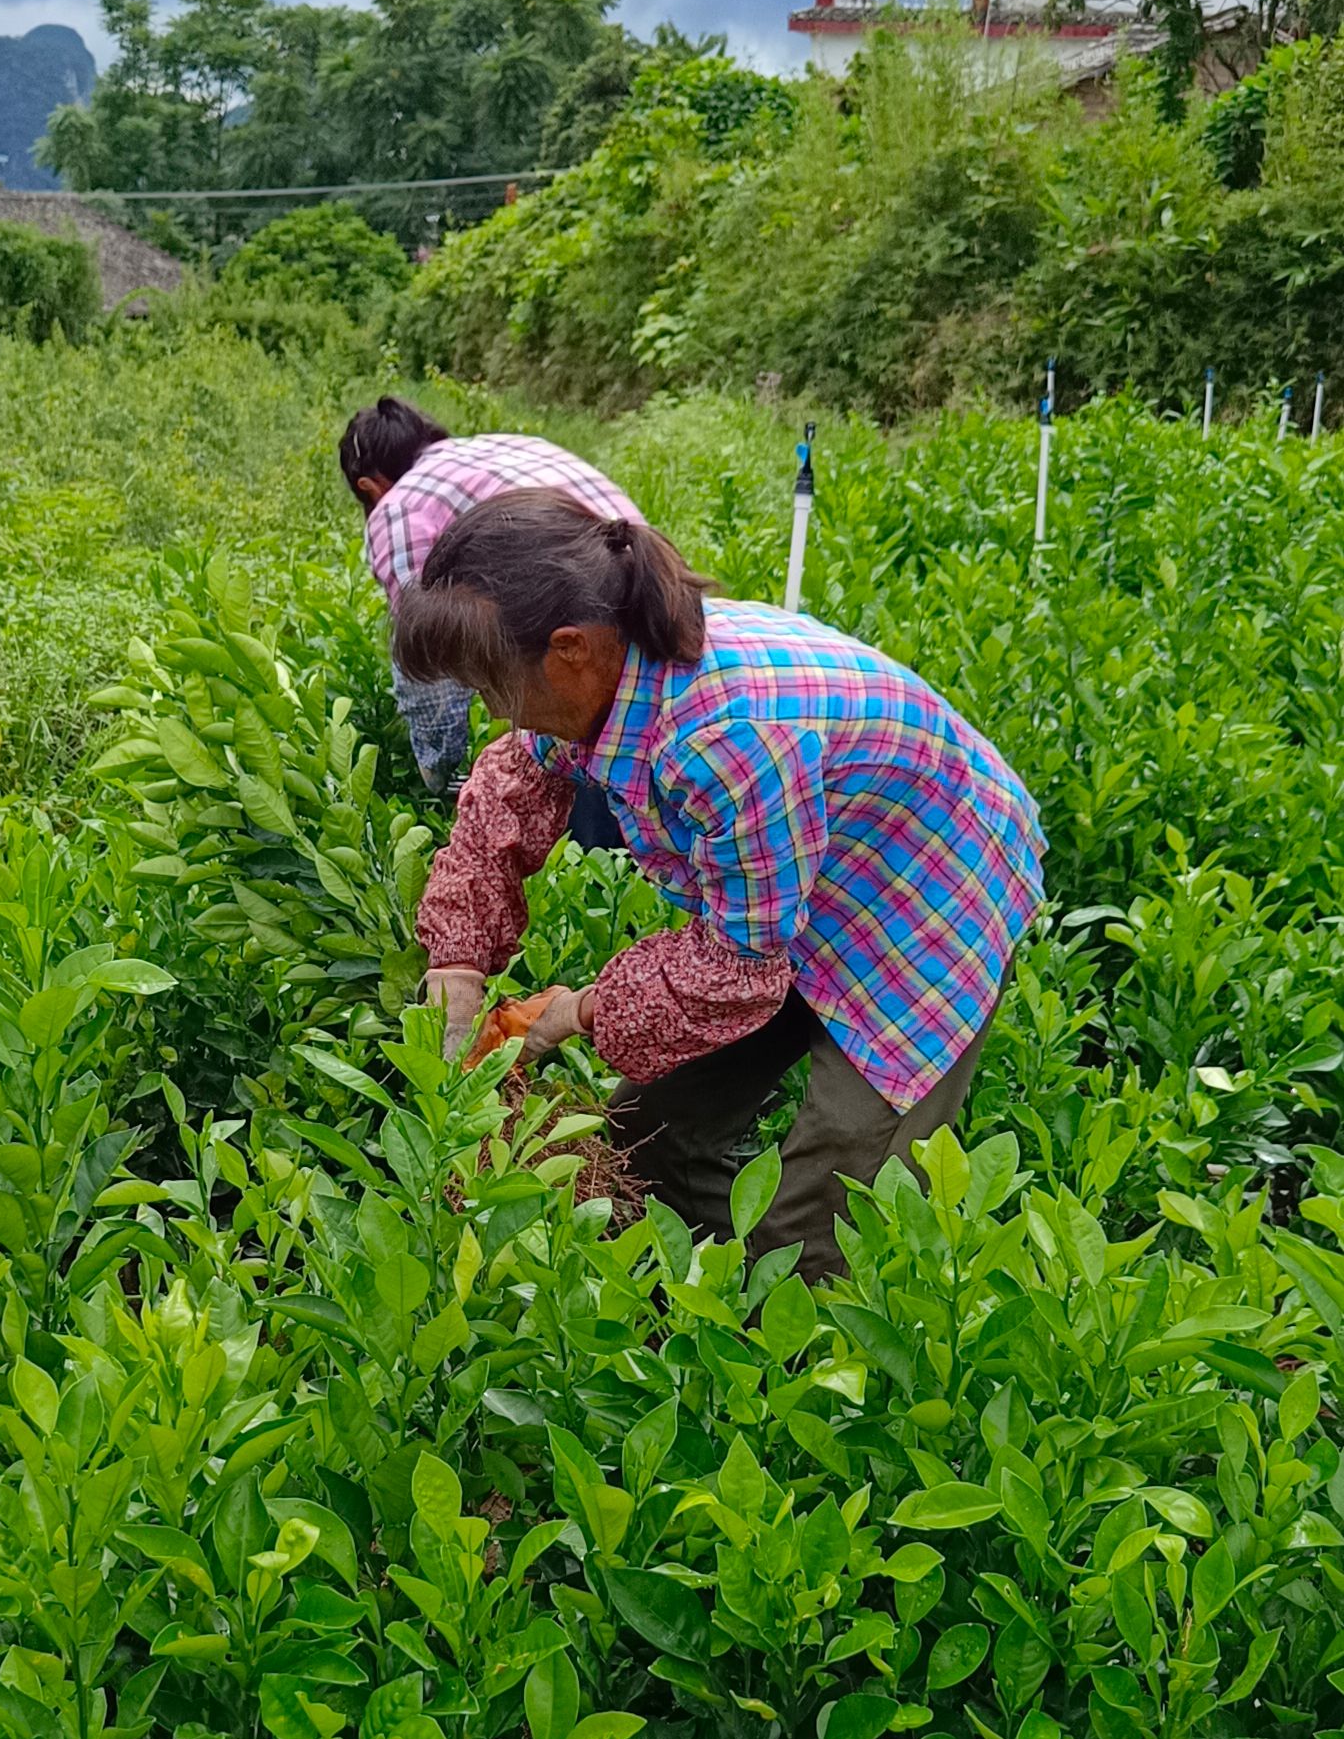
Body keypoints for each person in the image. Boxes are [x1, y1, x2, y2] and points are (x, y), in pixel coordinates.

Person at [394, 487, 1045, 1283]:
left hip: (919, 898)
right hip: (785, 887)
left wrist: (567, 1012)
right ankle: (699, 1303)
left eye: (495, 684)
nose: (496, 708)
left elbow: (738, 965)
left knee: (825, 1211)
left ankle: (786, 1355)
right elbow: (514, 788)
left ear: (569, 649)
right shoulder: (609, 670)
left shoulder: (723, 739)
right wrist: (458, 965)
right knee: (649, 1129)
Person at [337, 396, 628, 843]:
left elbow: (431, 661)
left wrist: (444, 780)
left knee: (591, 803)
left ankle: (603, 876)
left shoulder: (397, 508)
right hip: (645, 589)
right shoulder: (491, 448)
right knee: (629, 763)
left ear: (368, 486)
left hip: (577, 625)